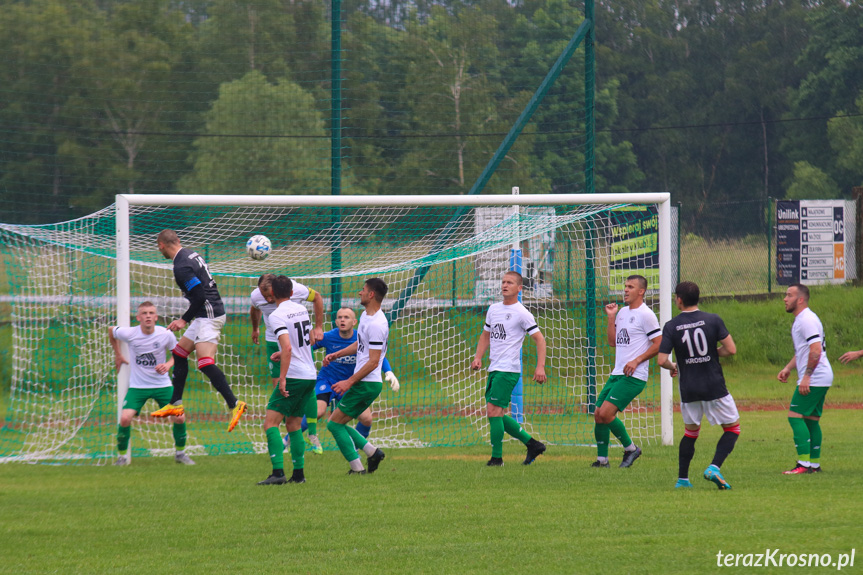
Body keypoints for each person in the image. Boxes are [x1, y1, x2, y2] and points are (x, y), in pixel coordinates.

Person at [151, 229, 246, 432]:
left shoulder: (181, 266)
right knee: (179, 353)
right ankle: (175, 404)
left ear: (161, 245)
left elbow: (200, 296)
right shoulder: (190, 253)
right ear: (177, 240)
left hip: (209, 314)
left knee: (204, 363)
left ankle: (234, 404)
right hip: (206, 313)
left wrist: (183, 320)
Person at [657, 281, 739, 490]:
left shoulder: (671, 325)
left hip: (689, 388)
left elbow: (661, 360)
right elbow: (730, 349)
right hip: (713, 385)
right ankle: (714, 467)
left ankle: (682, 479)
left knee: (690, 432)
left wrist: (674, 365)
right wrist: (711, 354)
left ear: (680, 299)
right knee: (732, 428)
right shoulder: (712, 320)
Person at [470, 271, 547, 467]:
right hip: (494, 368)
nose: (505, 285)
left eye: (510, 283)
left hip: (508, 369)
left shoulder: (522, 313)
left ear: (519, 288)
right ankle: (533, 444)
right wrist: (478, 357)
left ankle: (497, 459)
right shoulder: (493, 309)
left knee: (494, 411)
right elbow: (485, 335)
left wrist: (540, 367)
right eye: (503, 281)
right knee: (496, 413)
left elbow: (540, 340)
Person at [109, 301, 194, 466]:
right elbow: (111, 331)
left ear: (156, 317)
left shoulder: (166, 334)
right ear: (138, 317)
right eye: (144, 313)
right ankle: (121, 457)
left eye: (151, 313)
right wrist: (118, 354)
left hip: (162, 385)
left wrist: (168, 365)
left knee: (180, 417)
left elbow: (179, 354)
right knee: (125, 418)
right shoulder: (130, 333)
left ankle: (180, 454)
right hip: (138, 387)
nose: (148, 316)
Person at [250, 273, 325, 453]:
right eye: (263, 294)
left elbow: (318, 297)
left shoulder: (296, 290)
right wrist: (255, 329)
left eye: (270, 294)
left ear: (277, 291)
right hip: (274, 342)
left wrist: (318, 327)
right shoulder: (256, 296)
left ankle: (312, 433)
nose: (267, 299)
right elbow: (254, 309)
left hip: (295, 346)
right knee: (285, 392)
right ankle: (290, 435)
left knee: (300, 387)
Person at [592, 274, 661, 469]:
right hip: (617, 373)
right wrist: (611, 318)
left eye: (630, 287)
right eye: (625, 286)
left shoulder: (646, 315)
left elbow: (659, 344)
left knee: (606, 413)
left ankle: (631, 449)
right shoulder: (622, 312)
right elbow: (613, 342)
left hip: (634, 376)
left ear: (641, 291)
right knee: (598, 414)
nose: (626, 290)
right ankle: (602, 461)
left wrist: (637, 360)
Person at [324, 278, 390, 474]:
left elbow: (373, 361)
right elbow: (360, 346)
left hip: (366, 383)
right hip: (363, 382)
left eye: (363, 290)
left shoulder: (378, 324)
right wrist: (337, 354)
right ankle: (373, 452)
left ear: (371, 295)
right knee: (338, 421)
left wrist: (348, 382)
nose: (359, 293)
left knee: (334, 425)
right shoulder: (366, 316)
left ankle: (358, 468)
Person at [310, 307, 400, 444]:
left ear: (354, 321)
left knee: (367, 419)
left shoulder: (361, 336)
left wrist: (388, 371)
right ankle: (290, 440)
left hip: (350, 383)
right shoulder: (328, 336)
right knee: (318, 411)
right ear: (335, 321)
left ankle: (356, 447)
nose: (342, 320)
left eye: (346, 317)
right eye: (339, 317)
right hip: (328, 380)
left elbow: (377, 355)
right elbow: (307, 348)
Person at [777, 284, 832, 475]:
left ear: (800, 299)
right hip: (821, 376)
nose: (785, 298)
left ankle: (804, 464)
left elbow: (816, 350)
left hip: (815, 377)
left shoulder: (806, 319)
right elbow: (805, 350)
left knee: (794, 417)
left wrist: (806, 377)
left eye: (789, 295)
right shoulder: (804, 319)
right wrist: (788, 368)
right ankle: (814, 465)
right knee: (811, 420)